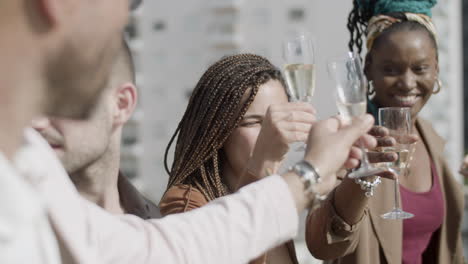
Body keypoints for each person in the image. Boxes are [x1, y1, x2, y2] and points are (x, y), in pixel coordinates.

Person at [0, 0, 377, 263]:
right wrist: (301, 172)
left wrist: (334, 176)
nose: (125, 21)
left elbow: (157, 250)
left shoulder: (31, 170)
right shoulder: (185, 204)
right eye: (129, 3)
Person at [306, 0, 465, 263]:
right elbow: (322, 245)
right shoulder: (345, 141)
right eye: (391, 69)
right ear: (368, 67)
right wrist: (360, 179)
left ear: (436, 67)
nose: (407, 83)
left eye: (420, 68)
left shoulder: (432, 140)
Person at [160, 54, 317, 264]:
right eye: (254, 122)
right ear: (217, 131)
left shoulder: (273, 197)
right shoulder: (186, 203)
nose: (274, 132)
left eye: (280, 120)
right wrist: (263, 162)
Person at [32, 40, 161, 219]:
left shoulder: (158, 231)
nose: (36, 122)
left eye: (59, 101)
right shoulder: (14, 228)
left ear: (121, 104)